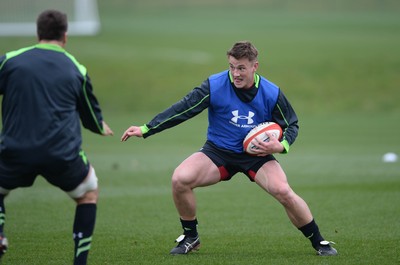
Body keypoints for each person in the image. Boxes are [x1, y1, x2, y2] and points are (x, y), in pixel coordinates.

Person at [121, 41, 338, 256]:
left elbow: (291, 124)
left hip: (256, 155)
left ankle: (319, 242)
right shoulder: (215, 85)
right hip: (218, 152)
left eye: (241, 67)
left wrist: (281, 146)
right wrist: (147, 128)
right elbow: (184, 107)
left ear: (255, 67)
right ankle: (190, 237)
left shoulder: (271, 93)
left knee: (283, 191)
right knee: (180, 179)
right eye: (232, 66)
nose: (235, 73)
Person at [0, 9, 113, 264]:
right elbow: (91, 116)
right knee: (88, 194)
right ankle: (79, 261)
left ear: (38, 33)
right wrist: (100, 127)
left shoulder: (10, 60)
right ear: (65, 35)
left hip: (16, 150)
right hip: (61, 154)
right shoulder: (76, 69)